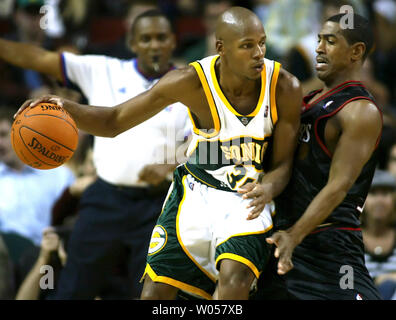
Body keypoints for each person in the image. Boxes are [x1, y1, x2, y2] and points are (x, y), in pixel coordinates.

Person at [18, 6, 302, 300]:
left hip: (246, 197)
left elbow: (282, 165)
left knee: (234, 280)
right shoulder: (189, 81)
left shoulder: (284, 87)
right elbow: (114, 121)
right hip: (196, 192)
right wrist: (65, 108)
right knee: (153, 294)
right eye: (247, 46)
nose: (259, 53)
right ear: (221, 48)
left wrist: (268, 187)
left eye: (262, 42)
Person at [1, 9, 191, 299]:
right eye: (146, 38)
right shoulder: (103, 69)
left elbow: (206, 144)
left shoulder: (190, 86)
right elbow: (38, 58)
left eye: (161, 37)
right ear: (132, 42)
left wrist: (167, 166)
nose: (154, 44)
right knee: (71, 289)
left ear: (173, 42)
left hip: (160, 204)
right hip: (106, 198)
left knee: (150, 294)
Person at [267, 13, 383, 300]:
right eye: (319, 40)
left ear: (356, 51)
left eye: (330, 41)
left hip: (330, 244)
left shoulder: (360, 111)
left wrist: (295, 235)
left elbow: (338, 186)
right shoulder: (306, 101)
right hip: (283, 238)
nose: (318, 48)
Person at [0, 107, 74, 293]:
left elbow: (73, 217)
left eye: (2, 135)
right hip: (9, 259)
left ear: (19, 133)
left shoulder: (58, 173)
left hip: (55, 254)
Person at [362, 169, 396, 300]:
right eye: (373, 193)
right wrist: (377, 281)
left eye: (385, 193)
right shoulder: (350, 238)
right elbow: (344, 283)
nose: (379, 200)